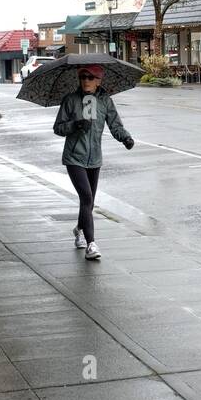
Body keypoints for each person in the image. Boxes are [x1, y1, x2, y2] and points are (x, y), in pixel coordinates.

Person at [53, 64, 134, 260]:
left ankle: (79, 229)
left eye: (91, 77)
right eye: (83, 77)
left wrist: (125, 138)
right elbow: (58, 128)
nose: (86, 81)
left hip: (95, 158)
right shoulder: (70, 100)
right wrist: (76, 124)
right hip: (74, 157)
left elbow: (115, 124)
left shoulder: (105, 101)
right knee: (87, 198)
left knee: (87, 202)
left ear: (99, 81)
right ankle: (91, 244)